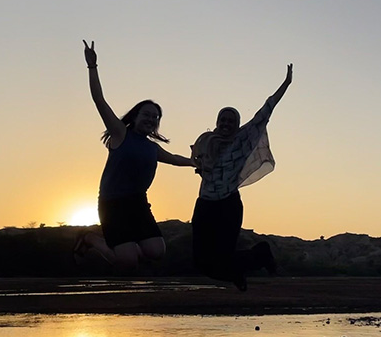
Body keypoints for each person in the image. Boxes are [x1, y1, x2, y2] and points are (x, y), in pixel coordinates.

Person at [74, 40, 194, 274]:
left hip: (138, 203)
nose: (151, 119)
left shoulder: (151, 148)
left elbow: (174, 158)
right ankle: (91, 239)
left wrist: (195, 162)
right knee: (128, 262)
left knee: (156, 252)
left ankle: (124, 248)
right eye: (147, 114)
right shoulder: (120, 133)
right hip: (113, 204)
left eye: (155, 117)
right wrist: (92, 66)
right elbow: (99, 100)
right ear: (136, 116)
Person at [190, 63, 293, 291]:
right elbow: (196, 160)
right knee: (201, 260)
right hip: (205, 204)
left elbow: (266, 110)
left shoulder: (242, 141)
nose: (226, 124)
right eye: (222, 120)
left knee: (223, 255)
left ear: (237, 125)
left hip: (228, 205)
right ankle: (238, 271)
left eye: (231, 121)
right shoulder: (205, 140)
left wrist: (285, 84)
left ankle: (260, 255)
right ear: (217, 122)